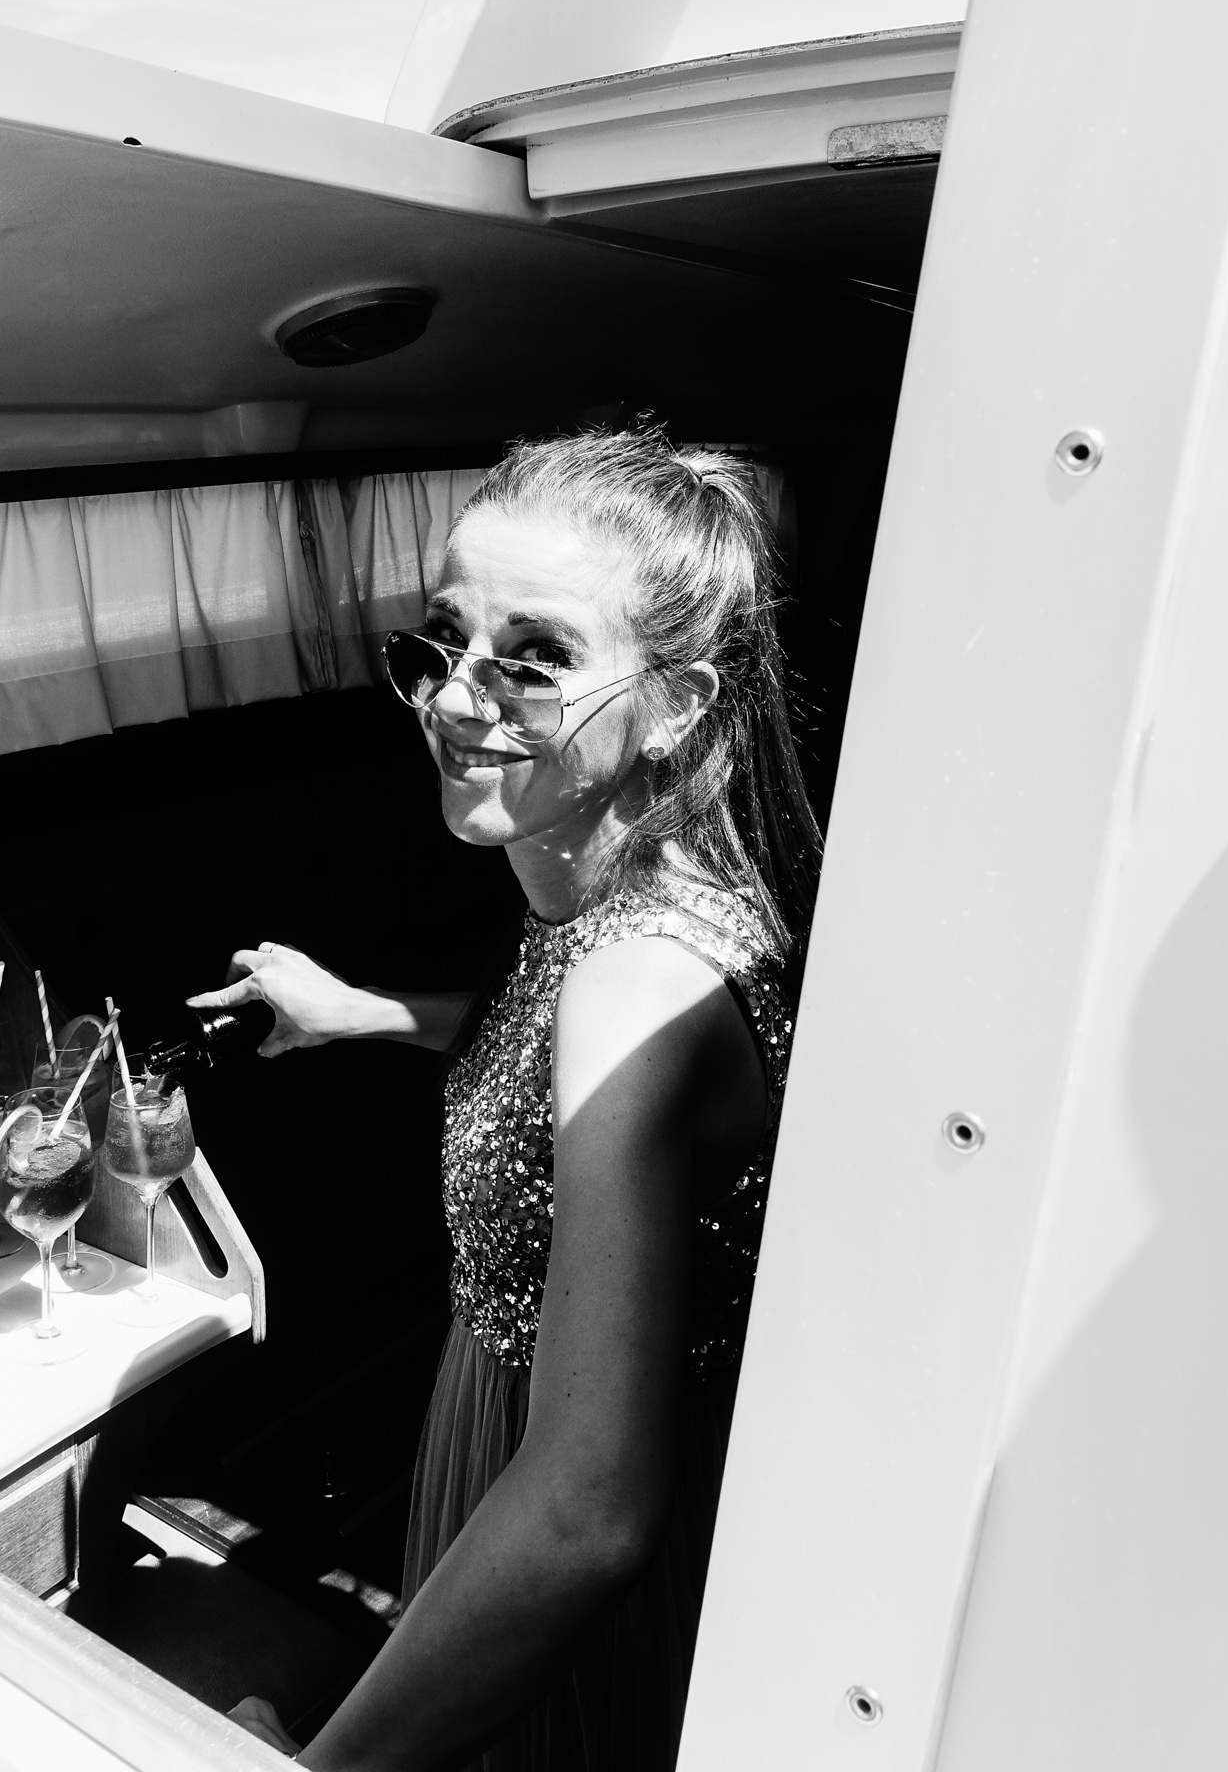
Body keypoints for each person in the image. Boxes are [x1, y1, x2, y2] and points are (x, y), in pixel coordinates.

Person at [190, 426, 820, 1770]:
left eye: (536, 658)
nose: (458, 699)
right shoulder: (613, 902)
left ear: (678, 704)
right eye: (443, 641)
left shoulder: (632, 986)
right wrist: (367, 1012)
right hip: (496, 1433)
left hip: (552, 1515)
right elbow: (546, 1063)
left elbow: (585, 1513)